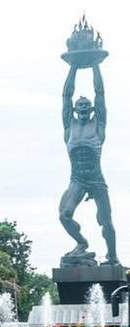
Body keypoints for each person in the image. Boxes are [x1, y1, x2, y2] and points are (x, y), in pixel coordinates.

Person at [58, 64, 119, 266]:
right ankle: (81, 243)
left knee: (106, 221)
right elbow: (66, 96)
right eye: (80, 107)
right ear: (75, 110)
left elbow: (100, 93)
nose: (83, 109)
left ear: (91, 109)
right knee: (65, 215)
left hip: (96, 179)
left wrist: (95, 65)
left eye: (87, 107)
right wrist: (73, 67)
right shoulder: (70, 127)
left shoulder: (98, 125)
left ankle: (112, 256)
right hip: (77, 179)